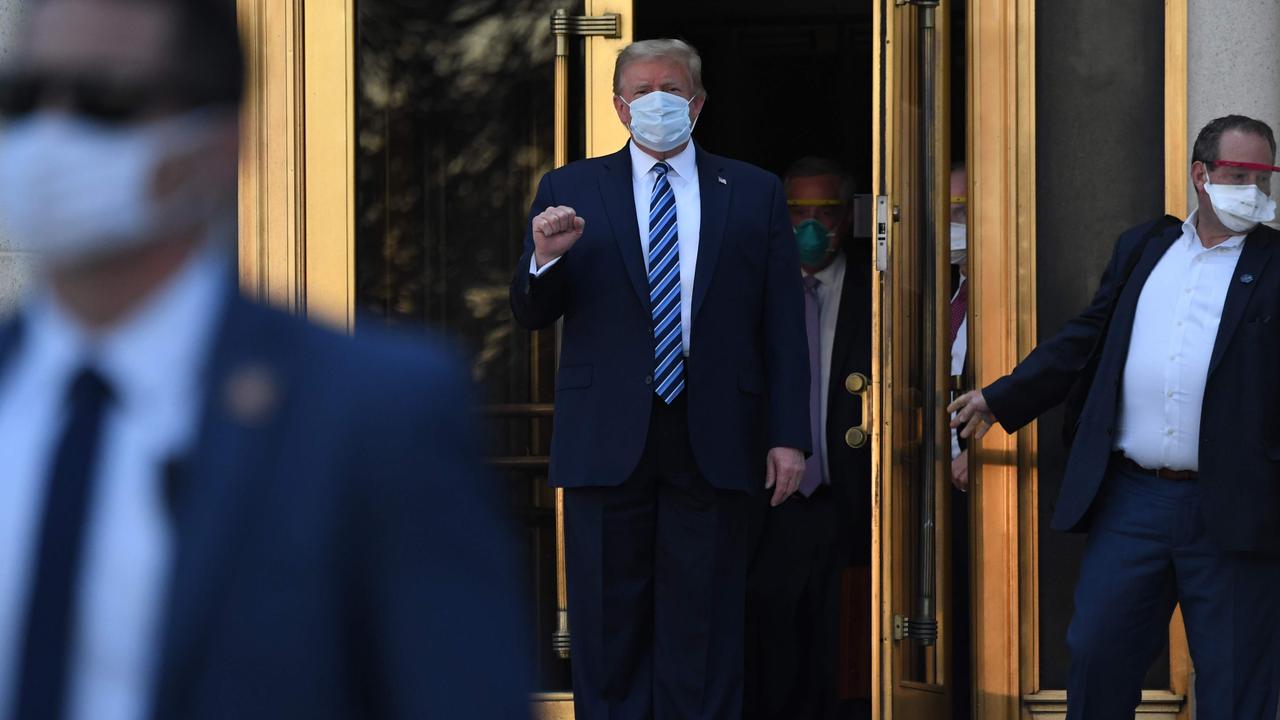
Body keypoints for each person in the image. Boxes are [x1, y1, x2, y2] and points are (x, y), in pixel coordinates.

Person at [0, 1, 529, 718]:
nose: (51, 133)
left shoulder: (377, 414)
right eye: (22, 98)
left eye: (106, 101)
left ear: (220, 140)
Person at [509, 38, 810, 719]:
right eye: (641, 93)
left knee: (701, 634)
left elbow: (782, 328)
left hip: (714, 437)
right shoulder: (570, 188)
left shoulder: (755, 191)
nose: (656, 104)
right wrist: (544, 257)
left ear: (698, 105)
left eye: (669, 91)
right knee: (607, 631)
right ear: (619, 108)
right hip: (606, 441)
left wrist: (789, 435)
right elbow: (530, 312)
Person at [950, 114, 1280, 718]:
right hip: (1135, 501)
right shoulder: (1145, 248)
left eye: (1265, 178)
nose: (1254, 192)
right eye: (1239, 175)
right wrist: (1002, 397)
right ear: (1200, 176)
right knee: (1099, 654)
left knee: (1238, 682)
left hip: (1236, 507)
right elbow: (1086, 338)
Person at [744, 157, 871, 720]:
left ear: (851, 218)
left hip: (855, 500)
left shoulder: (881, 286)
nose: (813, 225)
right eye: (798, 211)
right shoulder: (749, 284)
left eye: (828, 211)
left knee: (844, 654)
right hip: (771, 501)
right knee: (774, 654)